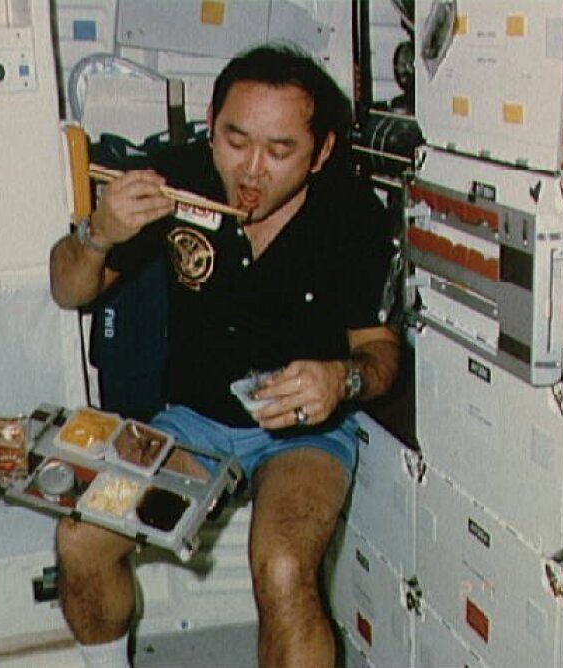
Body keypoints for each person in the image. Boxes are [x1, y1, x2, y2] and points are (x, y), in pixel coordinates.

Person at [49, 42, 401, 668]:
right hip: (194, 422)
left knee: (286, 567)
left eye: (280, 150)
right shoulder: (173, 179)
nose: (252, 171)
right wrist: (98, 232)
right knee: (83, 538)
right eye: (236, 141)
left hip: (304, 432)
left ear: (320, 152)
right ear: (211, 125)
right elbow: (68, 287)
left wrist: (341, 380)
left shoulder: (352, 217)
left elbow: (379, 354)